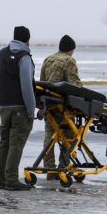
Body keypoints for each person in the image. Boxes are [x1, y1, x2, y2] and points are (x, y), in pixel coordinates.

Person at [0, 26, 36, 190]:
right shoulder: (24, 57)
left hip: (4, 105)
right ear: (28, 39)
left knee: (4, 143)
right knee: (16, 144)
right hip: (20, 106)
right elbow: (26, 86)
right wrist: (31, 109)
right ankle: (11, 180)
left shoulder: (2, 54)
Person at [39, 35, 81, 178]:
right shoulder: (69, 60)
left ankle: (49, 168)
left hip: (49, 104)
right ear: (71, 49)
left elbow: (42, 82)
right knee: (69, 136)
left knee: (49, 136)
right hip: (64, 107)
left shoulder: (48, 59)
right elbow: (74, 85)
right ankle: (63, 166)